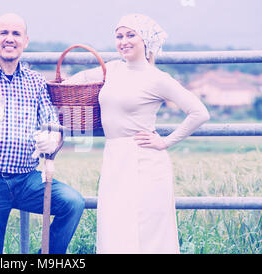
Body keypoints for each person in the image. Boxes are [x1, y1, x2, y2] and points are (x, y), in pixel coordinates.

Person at [65, 13, 210, 253]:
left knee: (147, 232)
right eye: (119, 36)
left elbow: (199, 112)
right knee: (114, 227)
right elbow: (75, 82)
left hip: (145, 161)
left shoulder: (157, 78)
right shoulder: (110, 69)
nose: (124, 41)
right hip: (114, 157)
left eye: (131, 35)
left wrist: (166, 142)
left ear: (146, 40)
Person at [0, 13, 85, 254]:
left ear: (25, 41)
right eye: (4, 33)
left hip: (27, 179)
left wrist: (53, 140)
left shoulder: (35, 81)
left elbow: (53, 124)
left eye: (16, 34)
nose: (10, 39)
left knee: (73, 203)